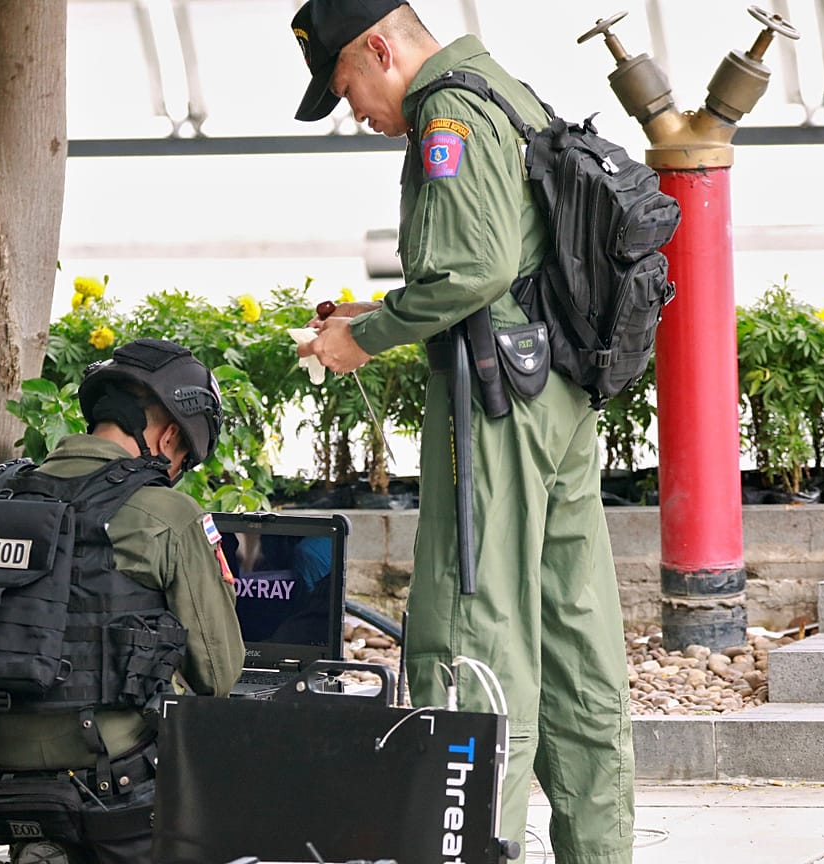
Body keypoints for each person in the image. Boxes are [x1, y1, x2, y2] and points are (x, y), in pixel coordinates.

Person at [288, 3, 635, 862]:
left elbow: (473, 270)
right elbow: (507, 262)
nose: (360, 114)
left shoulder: (446, 111)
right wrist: (378, 312)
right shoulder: (509, 93)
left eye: (348, 88)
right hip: (555, 391)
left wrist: (360, 339)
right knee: (576, 636)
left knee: (471, 637)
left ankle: (473, 846)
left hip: (494, 409)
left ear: (380, 46)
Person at [0, 338, 245, 864]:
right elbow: (218, 674)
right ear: (170, 435)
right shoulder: (164, 511)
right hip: (113, 782)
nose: (176, 472)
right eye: (182, 459)